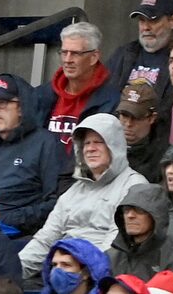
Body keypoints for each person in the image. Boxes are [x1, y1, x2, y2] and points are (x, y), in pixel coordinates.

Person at [19, 116, 149, 274]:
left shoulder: (134, 186)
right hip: (60, 269)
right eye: (86, 143)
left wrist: (81, 272)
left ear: (114, 145)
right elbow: (45, 239)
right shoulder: (73, 192)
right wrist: (15, 270)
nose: (90, 149)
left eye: (98, 142)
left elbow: (117, 244)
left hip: (101, 276)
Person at [0, 78, 66, 241]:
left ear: (22, 107)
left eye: (2, 102)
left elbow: (56, 202)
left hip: (18, 237)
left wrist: (14, 219)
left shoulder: (45, 143)